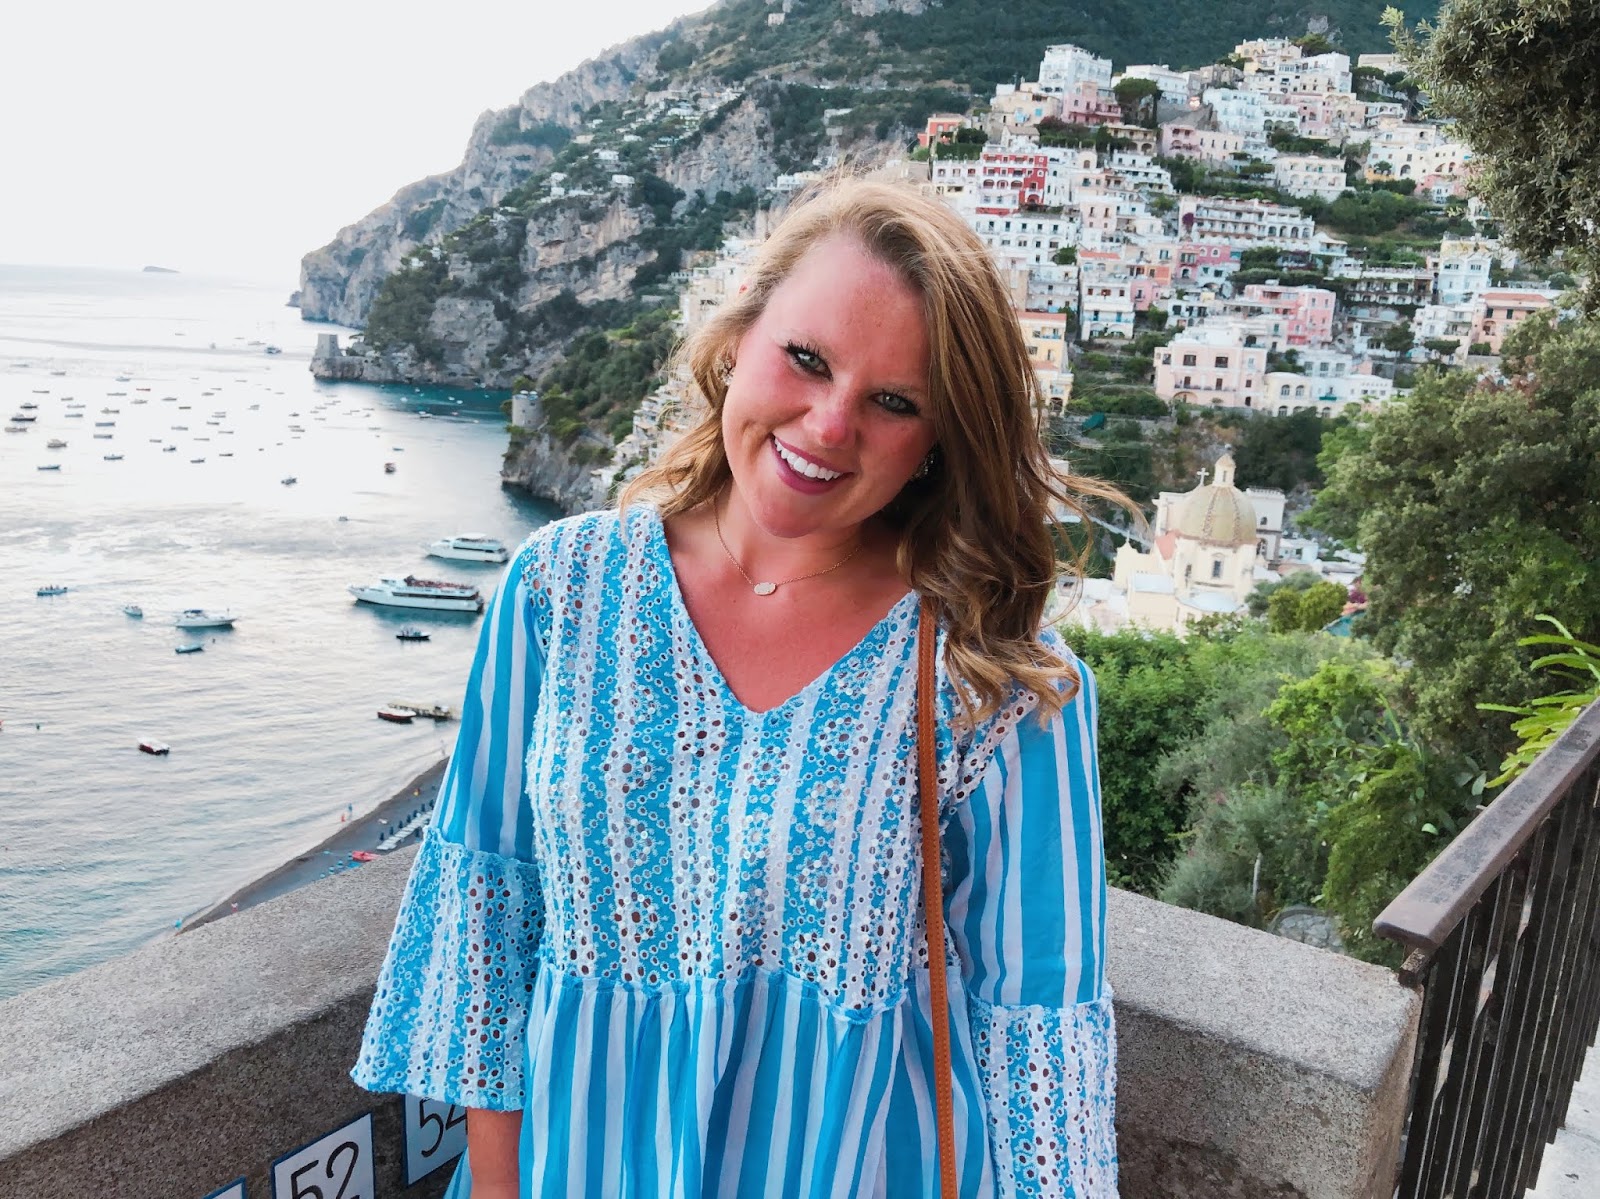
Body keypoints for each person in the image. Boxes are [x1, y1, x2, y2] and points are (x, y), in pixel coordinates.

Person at [352, 178, 1122, 1197]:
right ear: (737, 337)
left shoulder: (994, 676)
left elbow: (1041, 1032)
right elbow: (486, 923)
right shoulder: (560, 590)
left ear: (938, 441)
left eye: (894, 402)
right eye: (807, 358)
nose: (830, 424)